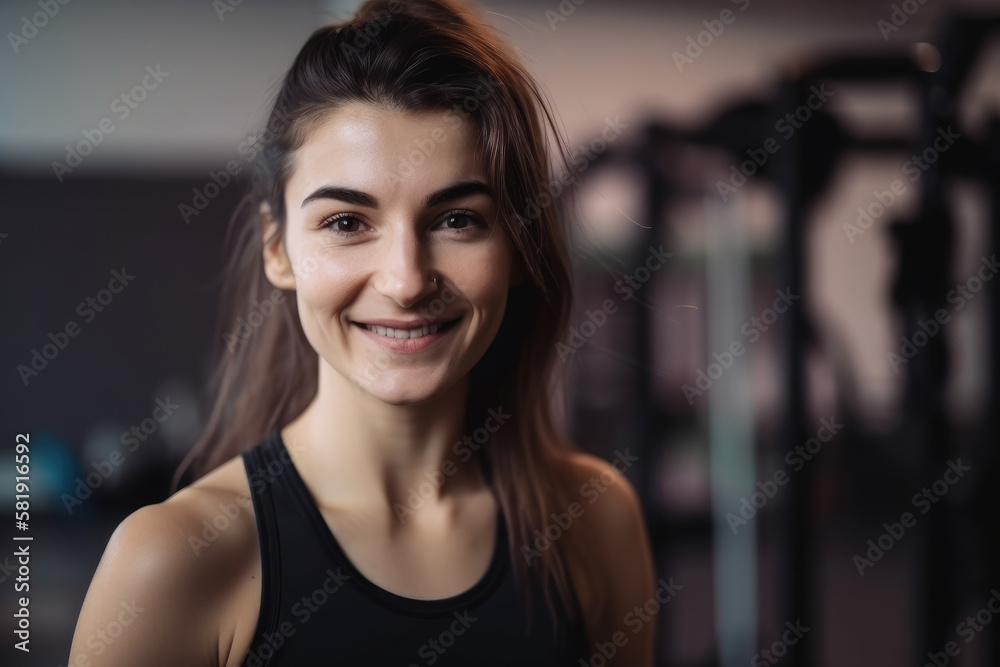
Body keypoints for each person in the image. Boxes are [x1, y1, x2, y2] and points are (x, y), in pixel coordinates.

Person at [69, 0, 656, 665]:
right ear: (278, 248)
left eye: (457, 219)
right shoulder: (172, 560)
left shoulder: (595, 521)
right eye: (347, 222)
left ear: (517, 248)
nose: (406, 280)